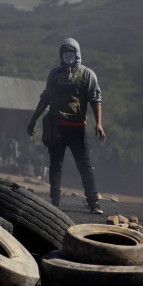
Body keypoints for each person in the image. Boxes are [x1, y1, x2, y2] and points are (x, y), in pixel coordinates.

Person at [27, 38, 106, 214]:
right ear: (61, 55)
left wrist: (99, 123)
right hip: (57, 127)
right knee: (56, 164)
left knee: (84, 166)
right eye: (65, 54)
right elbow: (46, 98)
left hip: (77, 128)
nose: (68, 57)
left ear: (77, 54)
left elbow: (95, 99)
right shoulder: (54, 74)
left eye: (71, 53)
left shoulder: (87, 74)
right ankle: (55, 201)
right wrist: (33, 119)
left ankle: (93, 202)